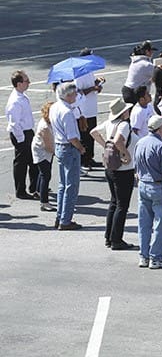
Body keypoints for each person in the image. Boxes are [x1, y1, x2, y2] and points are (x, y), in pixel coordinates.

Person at [90, 98, 139, 250]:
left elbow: (94, 132)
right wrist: (125, 154)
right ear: (124, 112)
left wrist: (105, 144)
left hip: (110, 167)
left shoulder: (110, 123)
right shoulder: (123, 125)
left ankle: (109, 236)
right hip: (124, 170)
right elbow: (119, 141)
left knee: (114, 202)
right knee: (122, 205)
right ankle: (116, 239)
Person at [133, 115, 162, 269]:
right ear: (160, 128)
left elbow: (136, 165)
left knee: (144, 223)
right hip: (158, 186)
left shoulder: (140, 143)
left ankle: (143, 256)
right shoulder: (161, 146)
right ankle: (156, 257)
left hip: (143, 184)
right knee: (161, 223)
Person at [50, 83, 86, 230]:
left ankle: (60, 217)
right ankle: (66, 220)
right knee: (71, 186)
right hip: (69, 148)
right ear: (68, 95)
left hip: (59, 146)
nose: (76, 96)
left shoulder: (55, 107)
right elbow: (72, 137)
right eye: (74, 94)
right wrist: (81, 148)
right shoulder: (67, 112)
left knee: (63, 184)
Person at [6, 70, 38, 200]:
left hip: (28, 132)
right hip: (21, 134)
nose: (29, 83)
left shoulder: (22, 96)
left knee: (33, 160)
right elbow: (14, 123)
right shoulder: (15, 101)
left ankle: (35, 186)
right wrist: (21, 139)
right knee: (21, 163)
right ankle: (20, 190)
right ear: (19, 84)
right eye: (26, 81)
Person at [75, 48, 105, 169]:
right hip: (84, 110)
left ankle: (89, 157)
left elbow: (91, 84)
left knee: (91, 134)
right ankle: (83, 160)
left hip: (91, 108)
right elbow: (79, 91)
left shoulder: (89, 71)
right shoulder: (79, 74)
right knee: (85, 136)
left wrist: (97, 83)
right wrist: (93, 88)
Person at [31, 102, 55, 211]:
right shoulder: (45, 126)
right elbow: (48, 146)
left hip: (45, 149)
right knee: (46, 174)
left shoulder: (49, 122)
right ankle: (44, 202)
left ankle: (38, 191)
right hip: (41, 150)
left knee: (43, 173)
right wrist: (59, 154)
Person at [122, 40, 156, 104]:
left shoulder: (137, 61)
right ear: (147, 51)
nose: (152, 53)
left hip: (129, 90)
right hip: (134, 92)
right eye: (151, 51)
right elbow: (156, 75)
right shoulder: (146, 64)